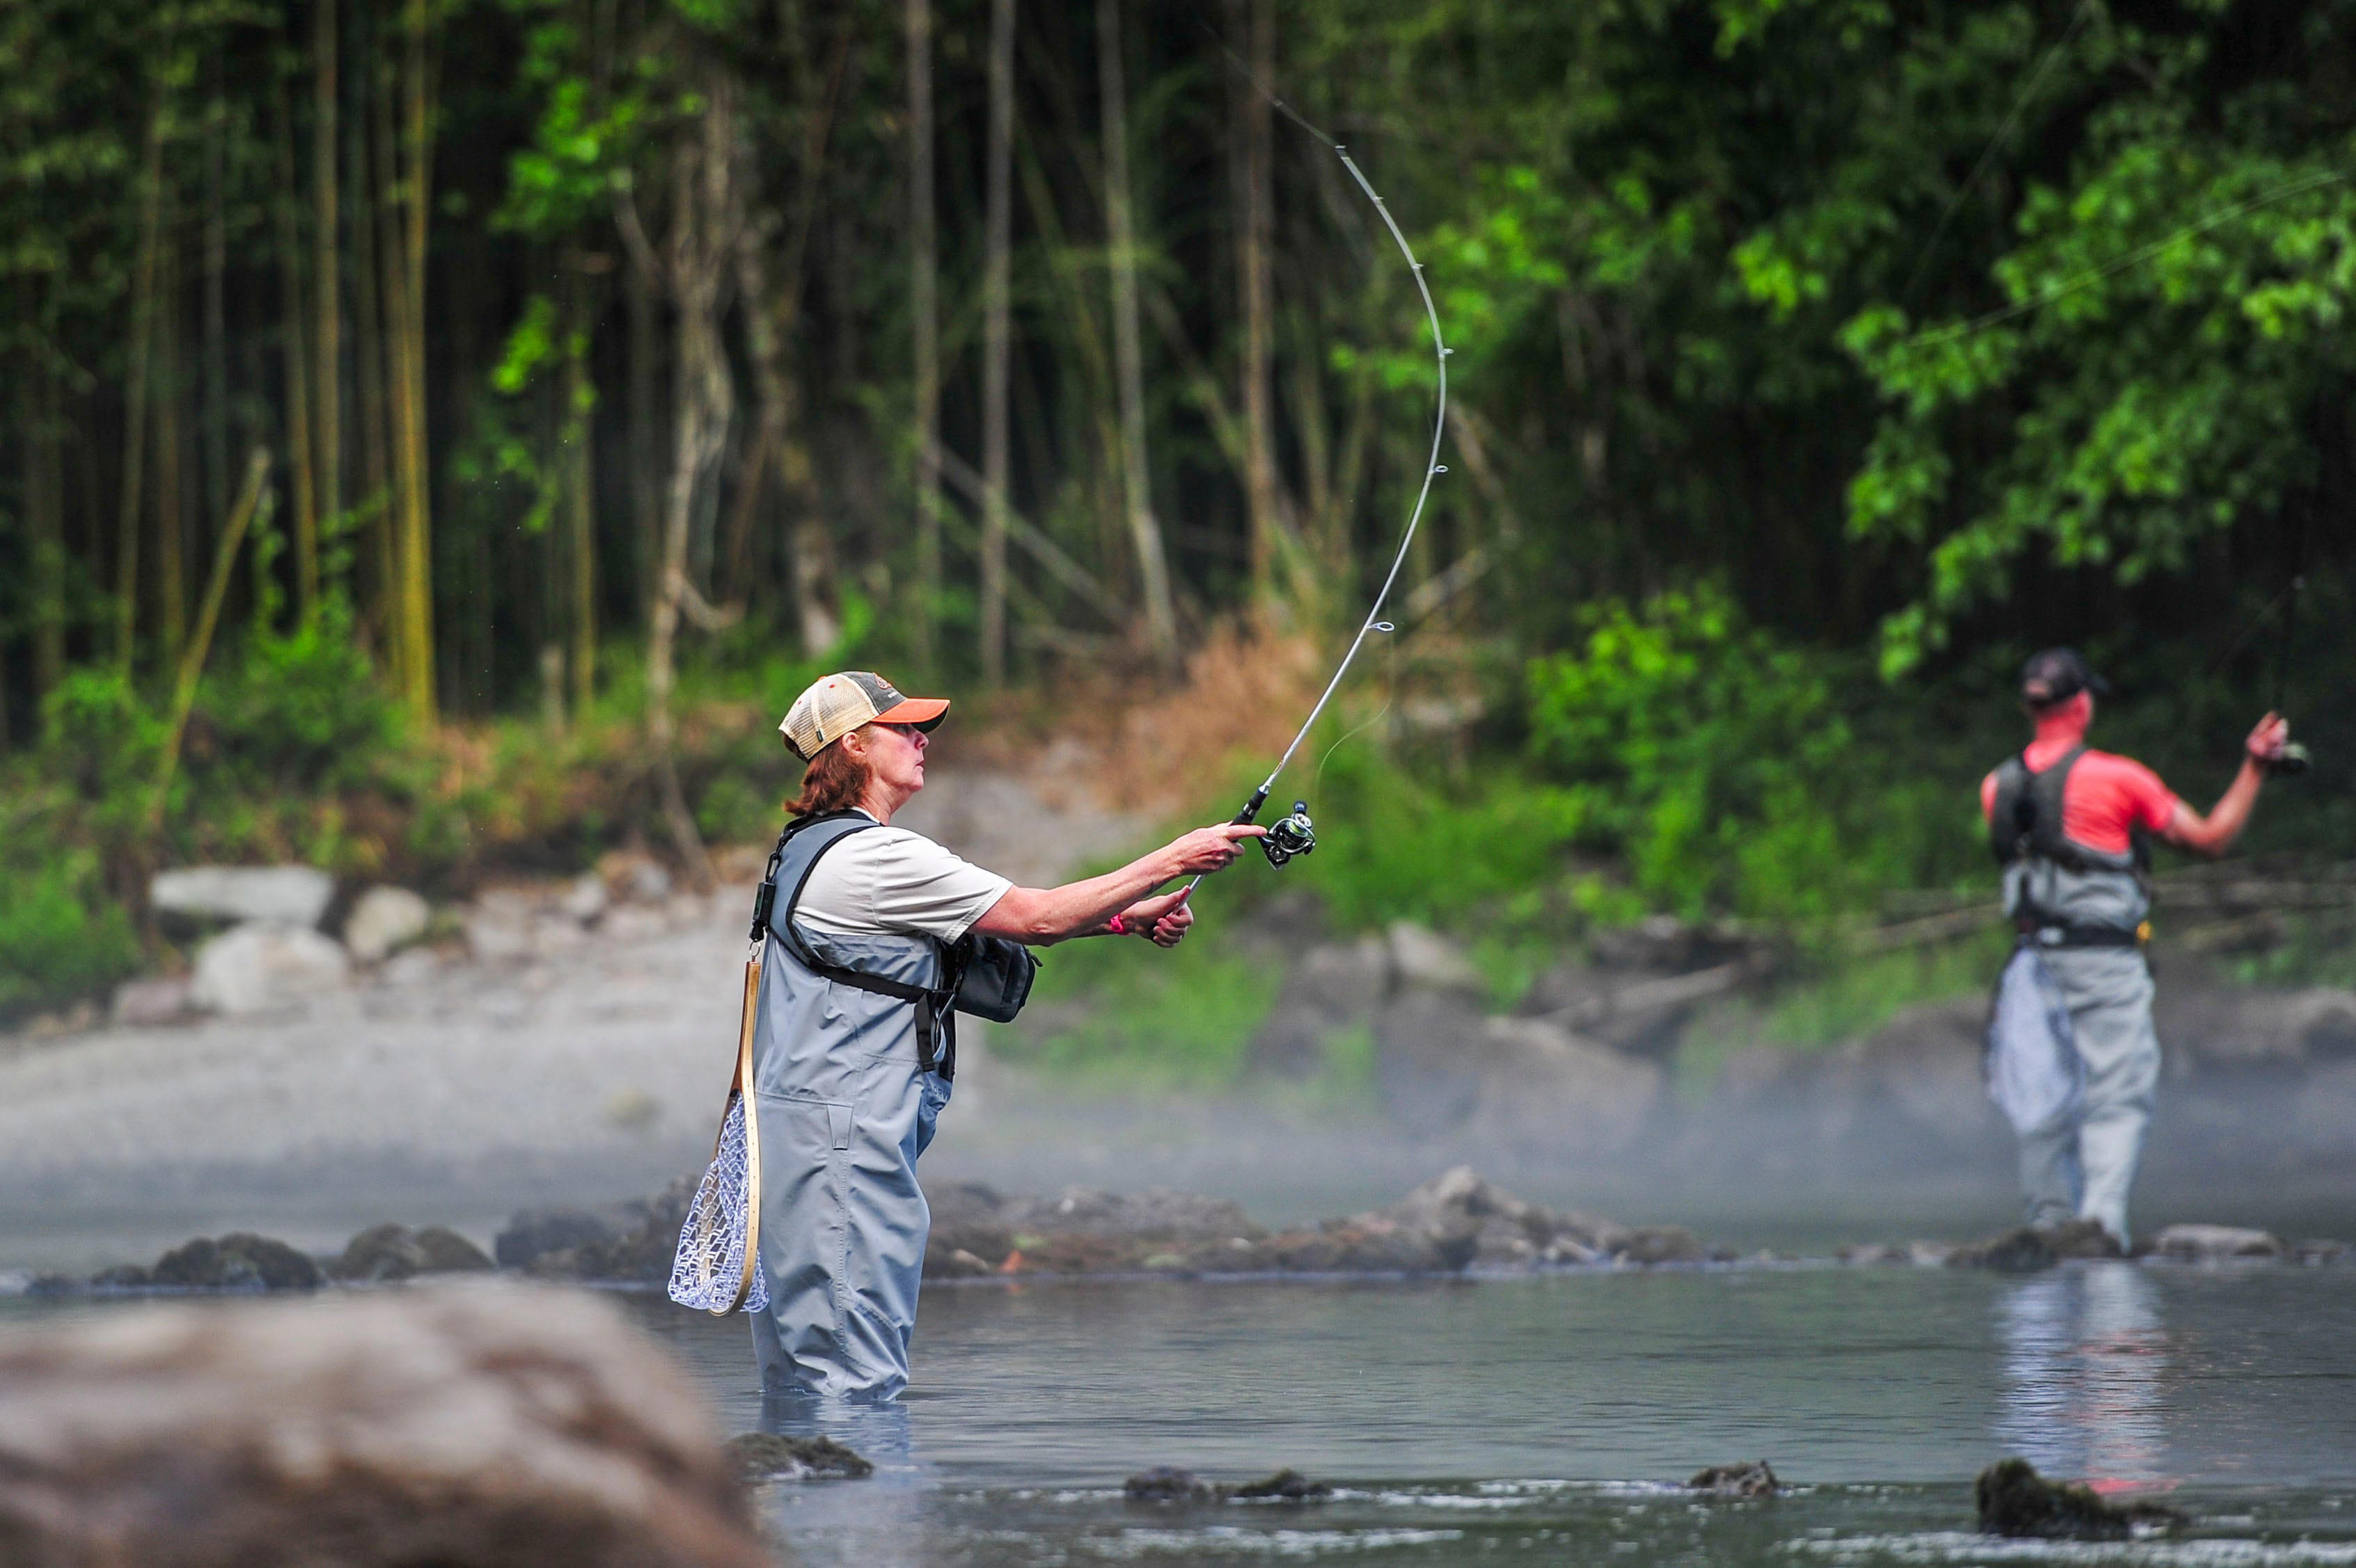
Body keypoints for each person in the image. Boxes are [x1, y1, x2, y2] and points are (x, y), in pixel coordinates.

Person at [749, 670, 1263, 1402]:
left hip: (808, 1136)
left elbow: (991, 924)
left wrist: (1123, 918)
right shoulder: (873, 857)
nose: (922, 739)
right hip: (842, 1145)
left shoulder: (810, 848)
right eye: (904, 727)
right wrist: (1179, 855)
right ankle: (854, 1482)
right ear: (854, 746)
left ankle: (806, 1477)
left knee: (805, 1379)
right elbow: (1036, 917)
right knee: (854, 1378)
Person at [1981, 648, 2291, 1248]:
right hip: (2103, 965)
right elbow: (2210, 839)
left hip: (2029, 966)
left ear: (2030, 707)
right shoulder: (2120, 779)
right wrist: (2256, 766)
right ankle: (2100, 1228)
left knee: (2040, 1094)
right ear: (2080, 705)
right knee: (2116, 1095)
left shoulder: (1996, 787)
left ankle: (2048, 1228)